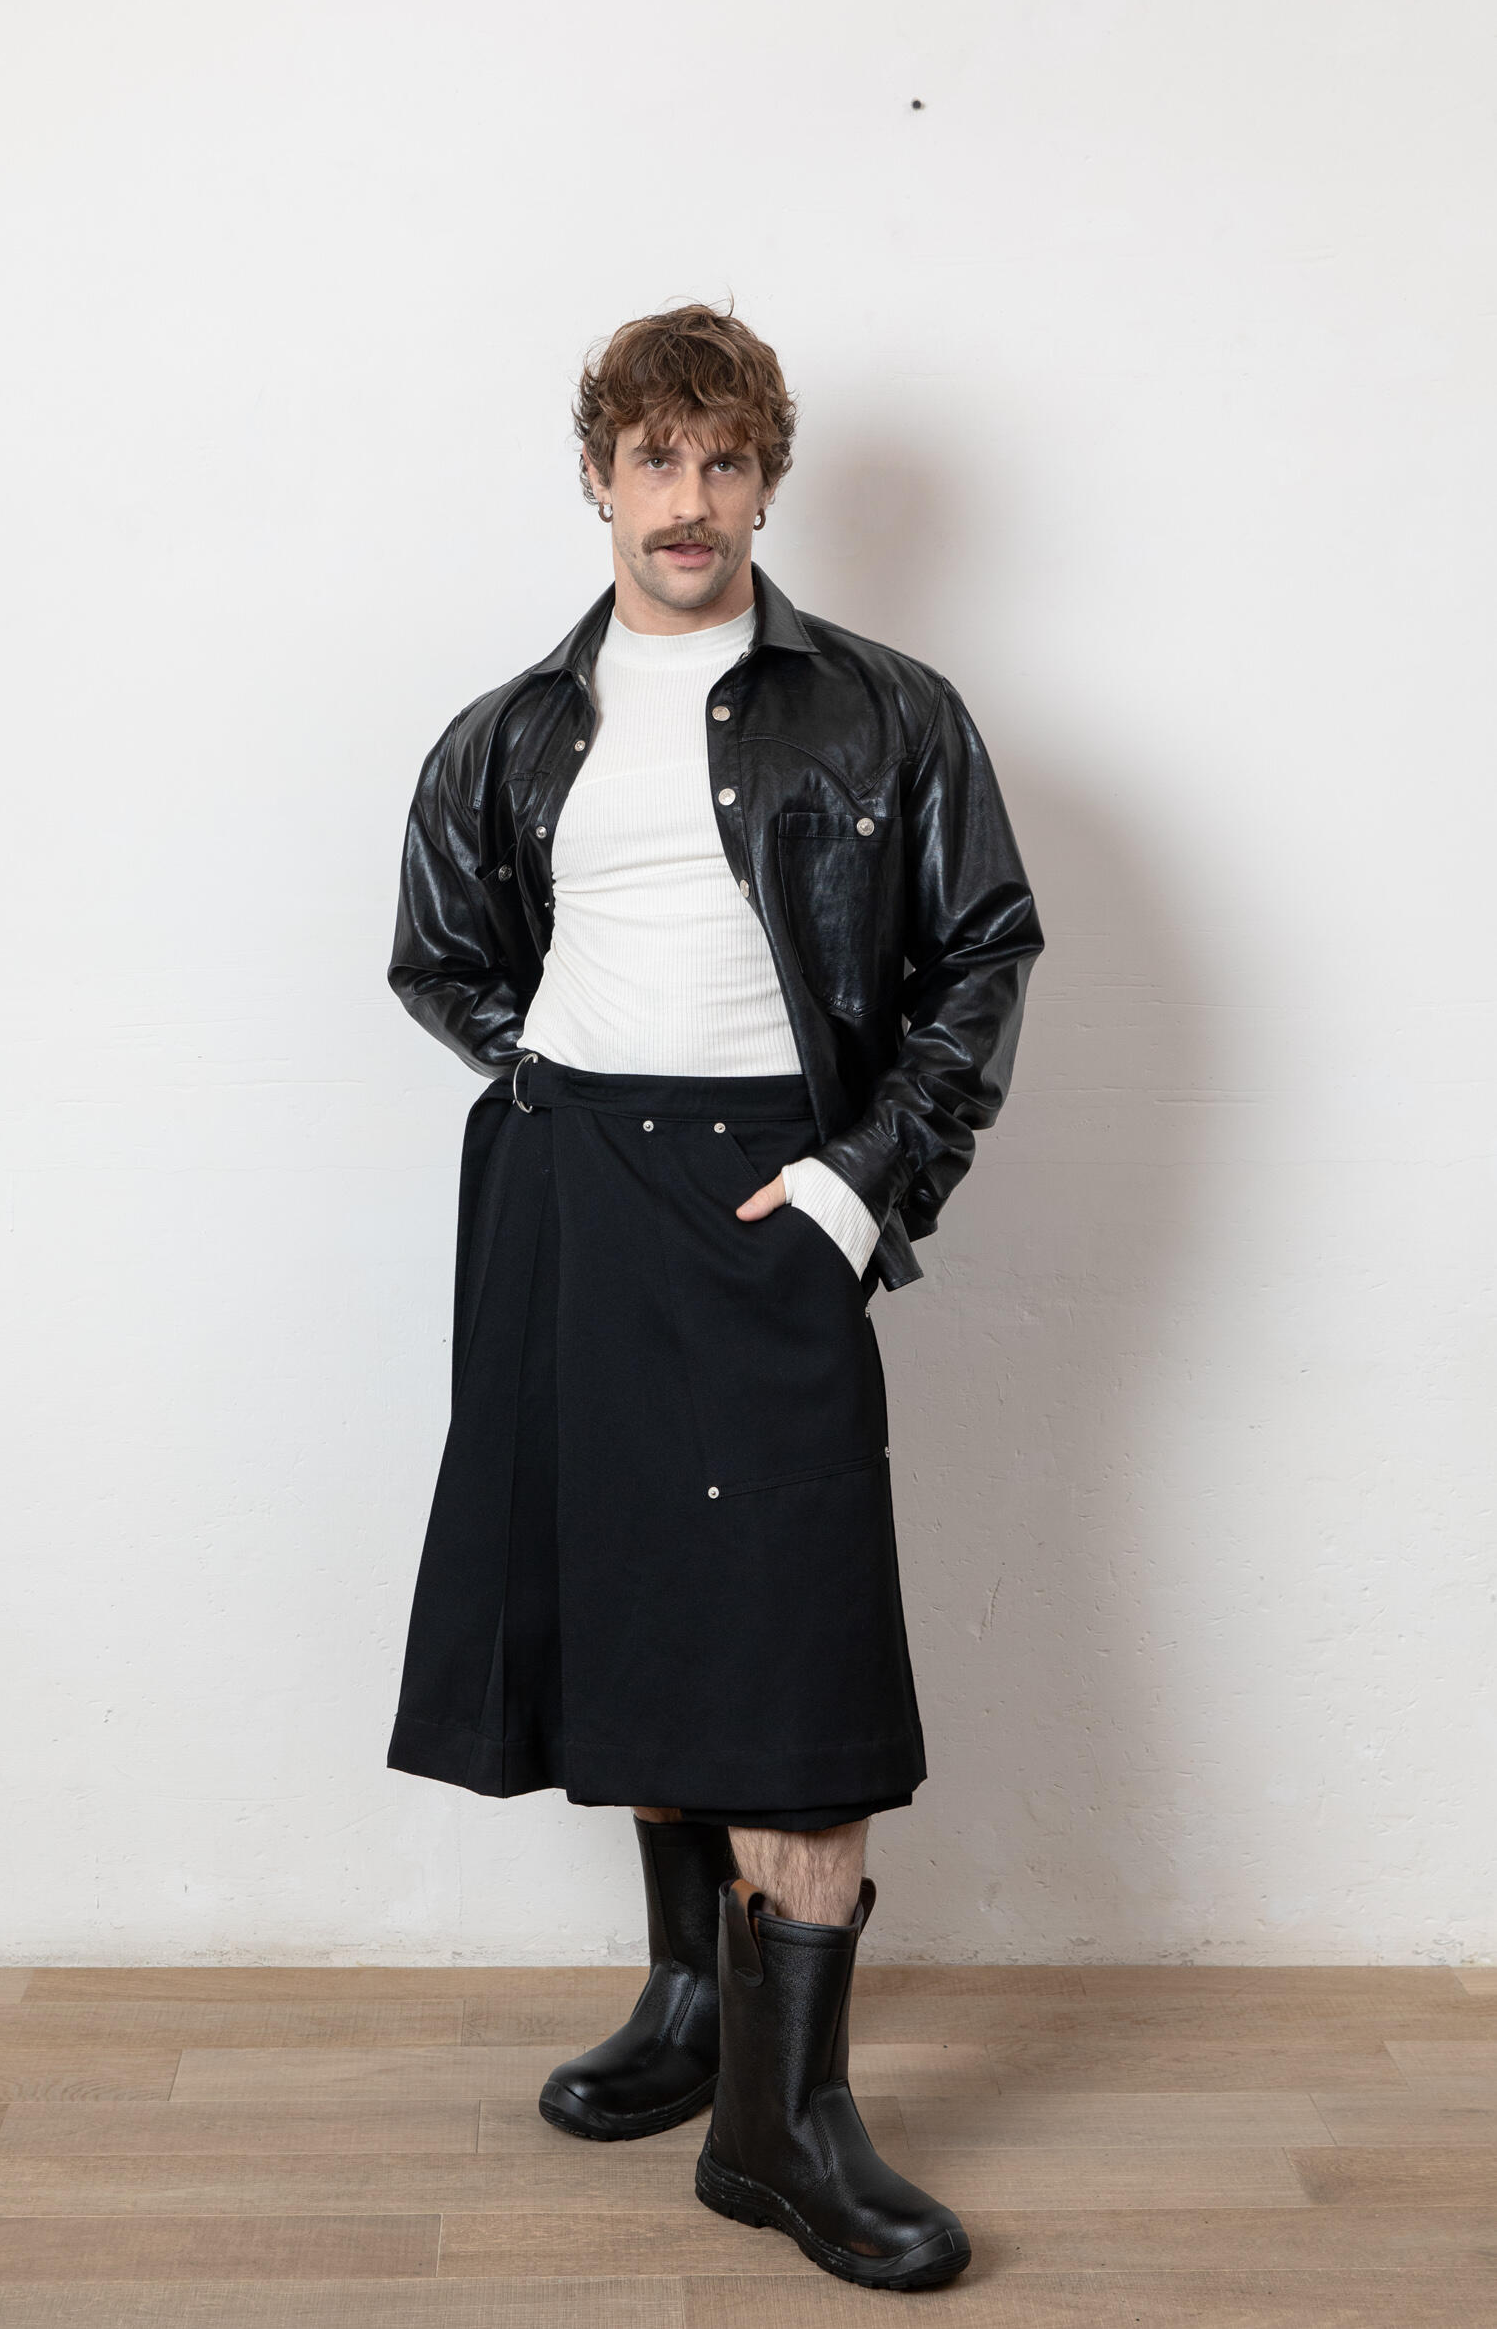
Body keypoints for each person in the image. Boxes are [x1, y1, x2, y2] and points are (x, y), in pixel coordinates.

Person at [386, 302, 1043, 2292]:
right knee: (640, 1602)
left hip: (774, 1192)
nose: (689, 498)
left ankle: (789, 2121)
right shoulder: (513, 728)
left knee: (795, 1652)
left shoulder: (885, 711)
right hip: (576, 1193)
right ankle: (697, 2006)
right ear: (597, 478)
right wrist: (557, 1089)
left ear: (769, 483)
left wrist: (855, 1182)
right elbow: (441, 952)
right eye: (654, 460)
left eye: (724, 460)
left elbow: (983, 950)